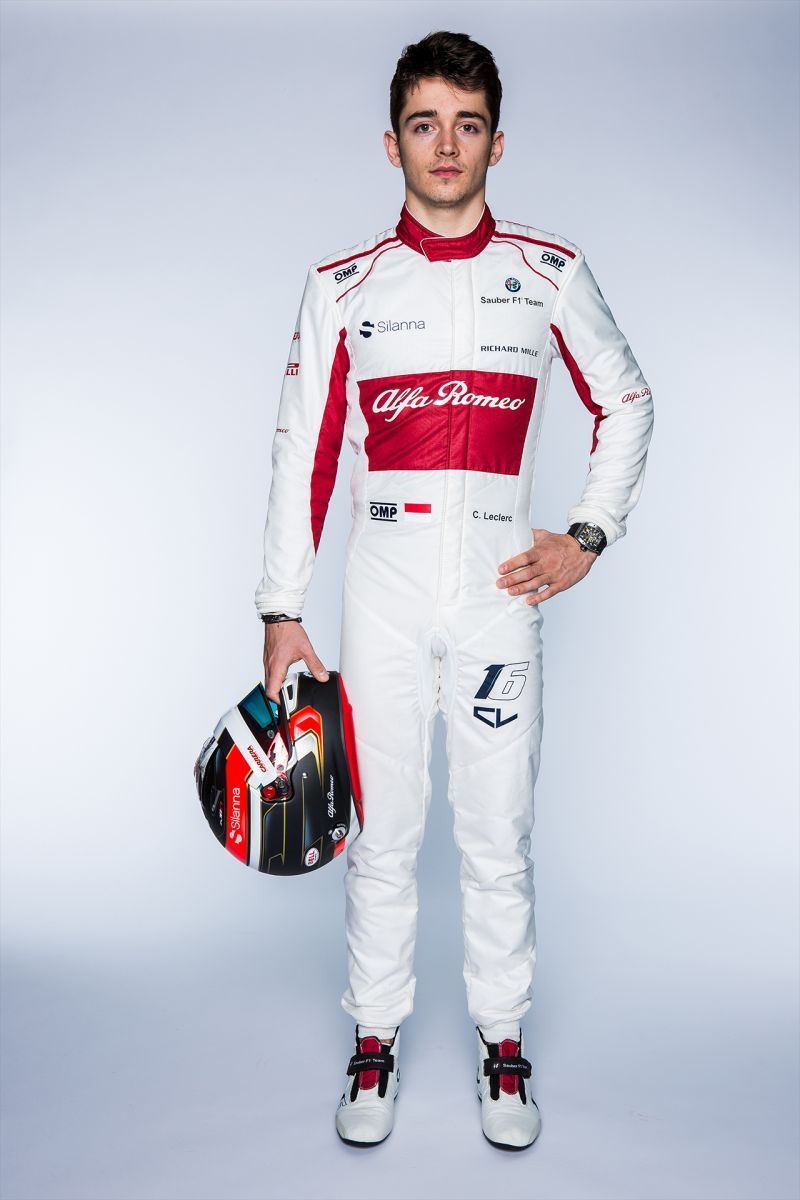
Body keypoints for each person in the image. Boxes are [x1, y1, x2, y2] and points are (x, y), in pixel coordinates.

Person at [255, 30, 654, 1150]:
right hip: (380, 590)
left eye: (466, 125)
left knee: (496, 830)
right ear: (391, 144)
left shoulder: (548, 271)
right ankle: (374, 1036)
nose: (445, 145)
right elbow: (302, 454)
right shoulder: (341, 286)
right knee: (379, 833)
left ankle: (503, 1044)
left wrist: (587, 535)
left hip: (495, 593)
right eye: (424, 124)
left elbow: (627, 400)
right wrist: (281, 609)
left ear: (496, 142)